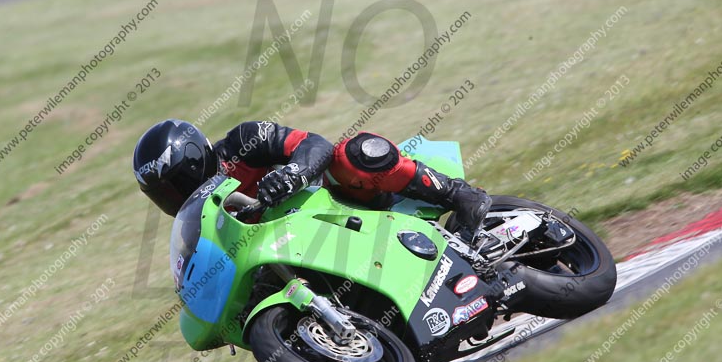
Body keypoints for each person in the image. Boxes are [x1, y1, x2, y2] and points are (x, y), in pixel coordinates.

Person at [132, 119, 491, 234]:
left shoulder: (244, 141)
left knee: (354, 154)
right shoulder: (201, 222)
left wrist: (293, 174)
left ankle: (460, 195)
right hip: (309, 245)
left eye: (177, 184)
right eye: (164, 195)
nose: (176, 198)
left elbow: (314, 144)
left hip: (341, 201)